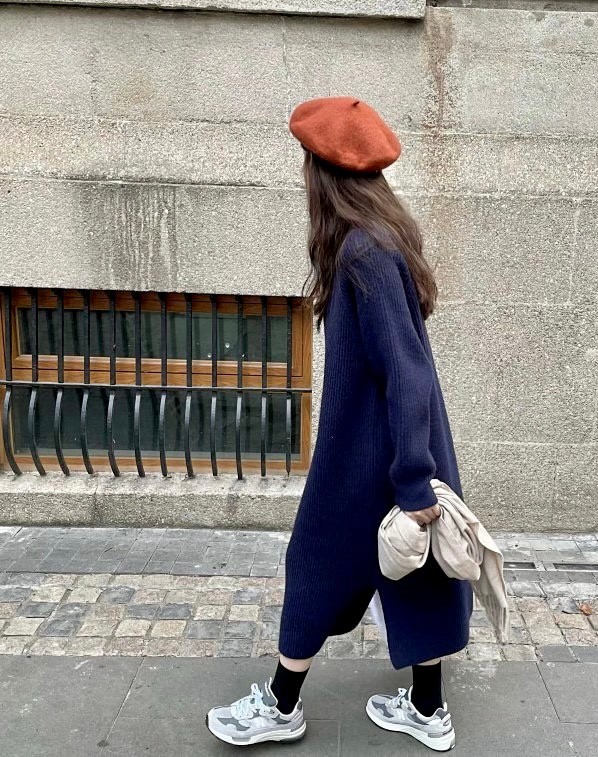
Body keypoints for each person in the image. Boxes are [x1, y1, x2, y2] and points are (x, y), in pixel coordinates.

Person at [206, 96, 472, 752]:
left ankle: (281, 704)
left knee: (315, 560)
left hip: (374, 455)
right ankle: (427, 708)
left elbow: (407, 371)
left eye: (306, 163)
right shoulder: (377, 239)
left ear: (323, 173)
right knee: (416, 573)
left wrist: (413, 481)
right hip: (396, 445)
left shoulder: (363, 252)